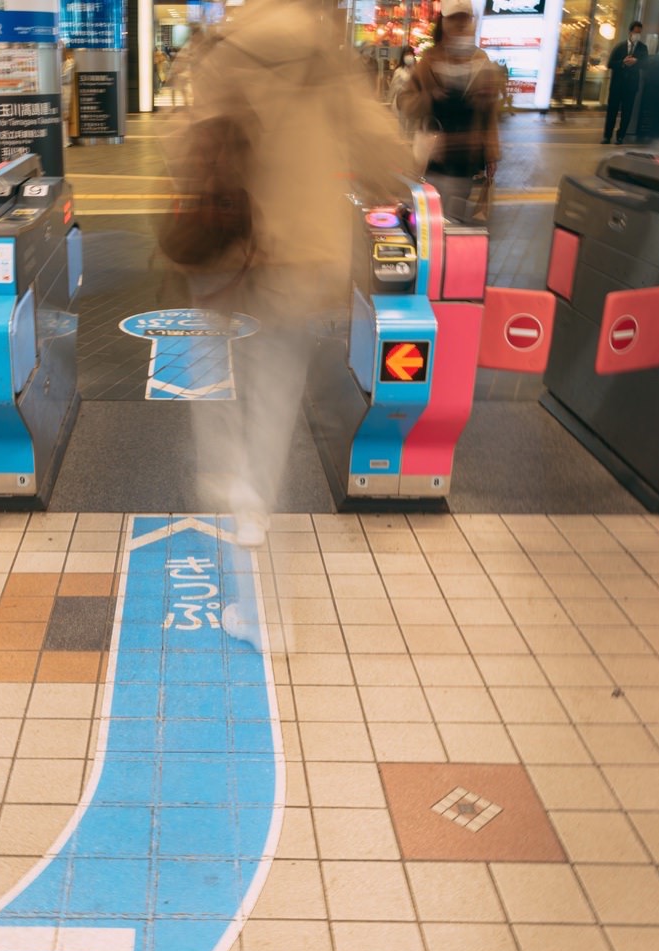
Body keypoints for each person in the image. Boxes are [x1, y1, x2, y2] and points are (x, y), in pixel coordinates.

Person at [158, 0, 407, 546]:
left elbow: (185, 139)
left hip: (228, 237)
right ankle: (255, 502)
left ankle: (221, 466)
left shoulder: (224, 45)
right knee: (275, 378)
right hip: (301, 246)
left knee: (209, 359)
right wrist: (396, 174)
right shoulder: (326, 53)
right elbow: (373, 137)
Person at [402, 0, 502, 223]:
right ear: (444, 22)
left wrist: (491, 154)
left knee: (453, 221)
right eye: (454, 18)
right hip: (432, 158)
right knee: (428, 221)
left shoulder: (481, 61)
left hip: (464, 158)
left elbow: (490, 115)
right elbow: (405, 101)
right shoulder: (429, 60)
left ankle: (448, 255)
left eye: (464, 18)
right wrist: (429, 98)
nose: (459, 24)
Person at [603, 20, 648, 144]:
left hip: (631, 86)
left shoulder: (643, 48)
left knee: (627, 112)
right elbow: (610, 64)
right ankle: (607, 136)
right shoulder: (619, 47)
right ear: (630, 32)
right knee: (612, 111)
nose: (637, 35)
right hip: (617, 85)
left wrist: (636, 62)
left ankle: (620, 136)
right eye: (635, 32)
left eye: (639, 33)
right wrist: (622, 62)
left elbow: (646, 63)